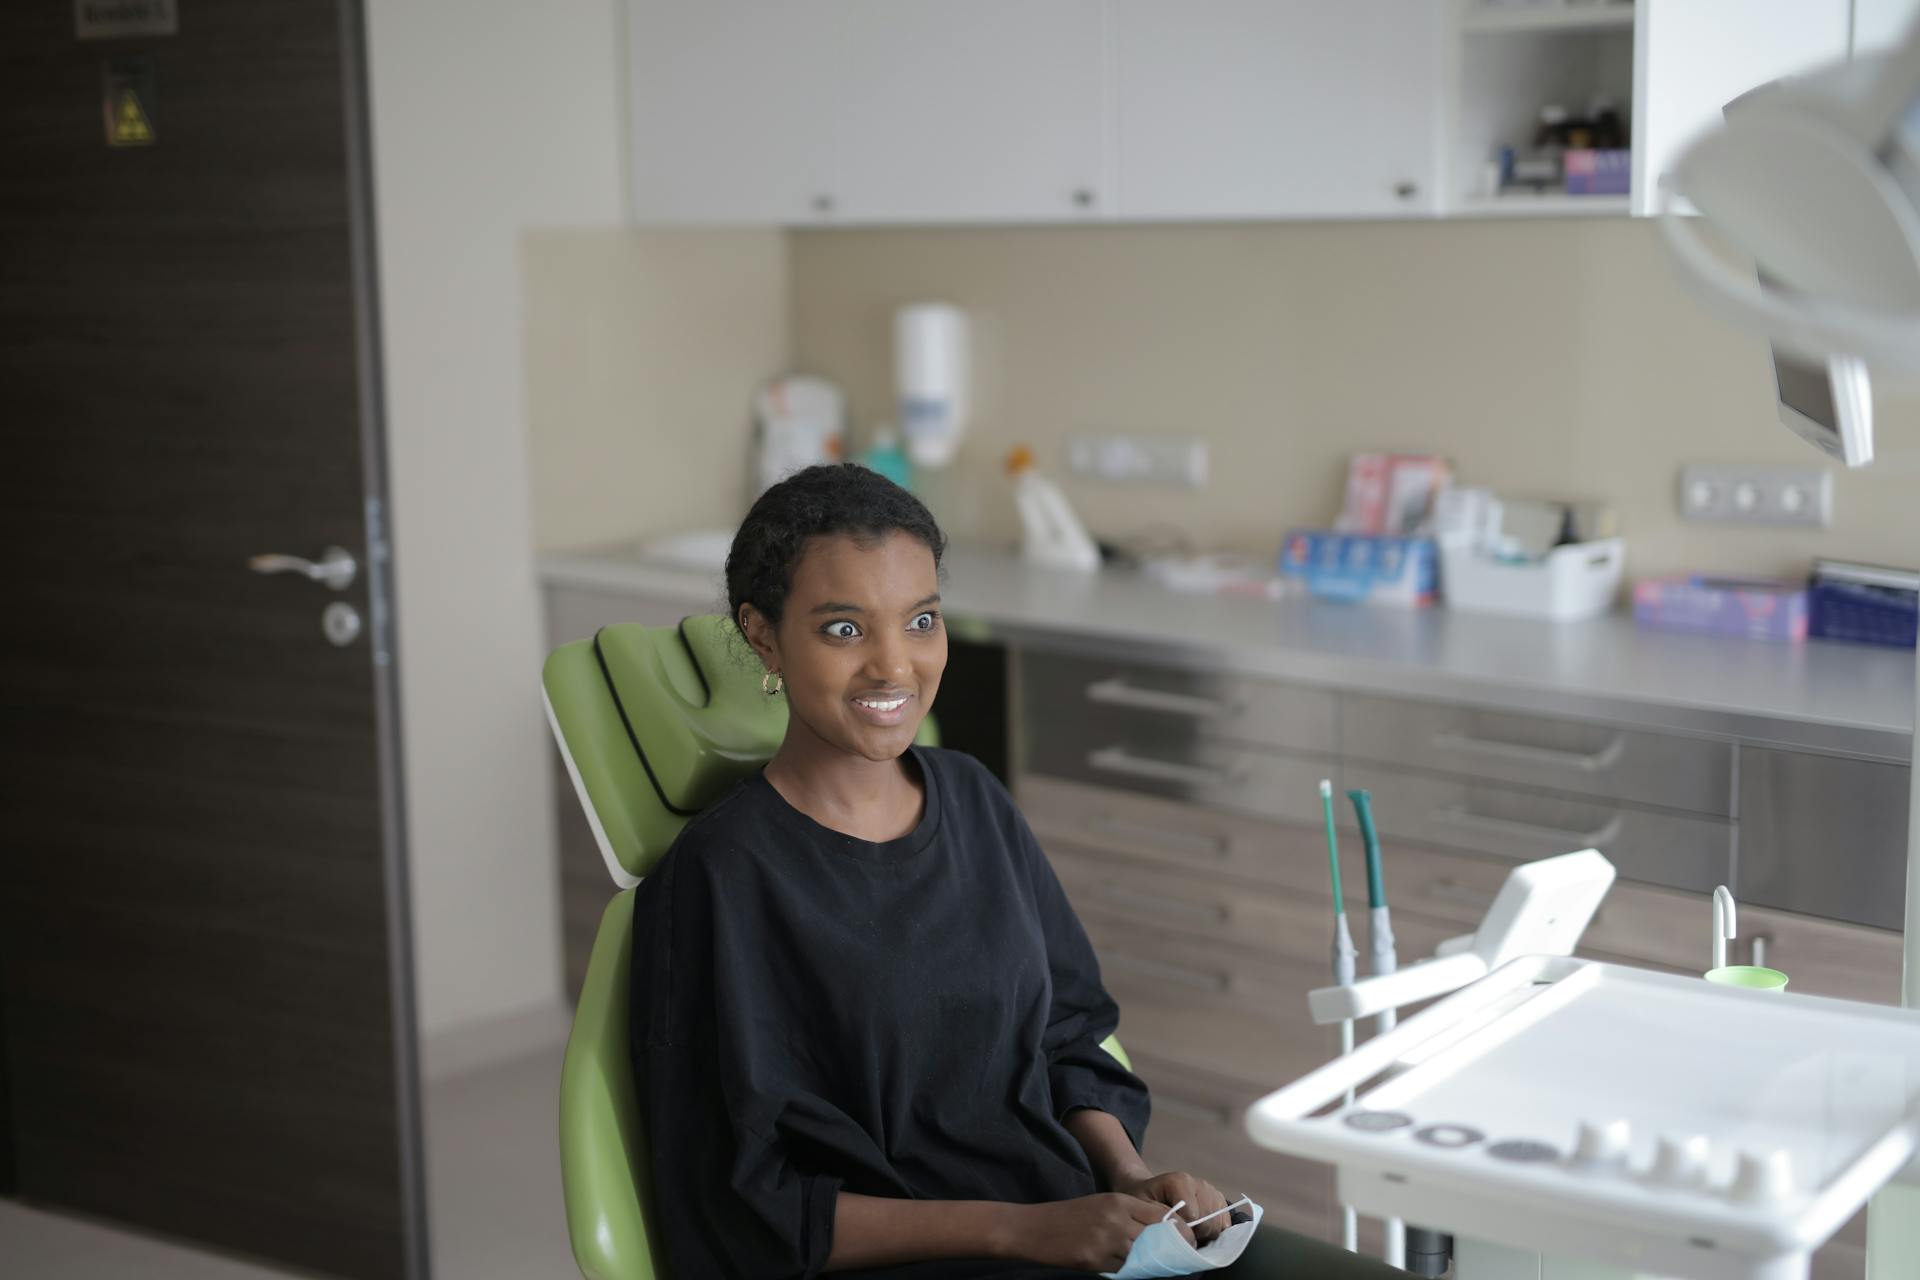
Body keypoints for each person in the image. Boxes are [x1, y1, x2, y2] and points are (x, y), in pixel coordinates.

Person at [629, 464, 1399, 1278]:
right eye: (845, 630)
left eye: (920, 620)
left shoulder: (971, 797)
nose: (894, 667)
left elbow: (1067, 1031)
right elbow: (741, 1206)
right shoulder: (720, 879)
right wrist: (1025, 1231)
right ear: (761, 634)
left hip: (1082, 1231)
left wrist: (1132, 1179)